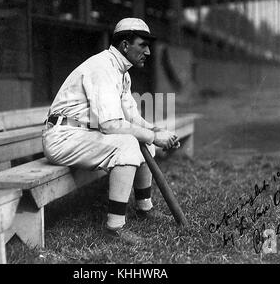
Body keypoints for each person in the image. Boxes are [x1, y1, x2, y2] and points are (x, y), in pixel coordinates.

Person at [42, 18, 179, 244]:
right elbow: (110, 125)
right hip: (63, 136)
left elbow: (132, 118)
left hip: (83, 133)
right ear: (125, 45)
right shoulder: (102, 67)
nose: (148, 52)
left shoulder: (122, 72)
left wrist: (157, 131)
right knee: (128, 144)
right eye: (142, 45)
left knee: (141, 139)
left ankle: (145, 209)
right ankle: (115, 227)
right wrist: (154, 137)